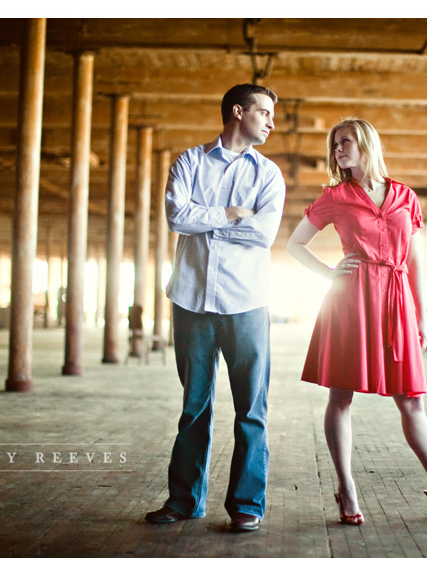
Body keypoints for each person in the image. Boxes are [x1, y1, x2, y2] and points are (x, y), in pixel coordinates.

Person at [286, 118, 427, 524]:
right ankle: (346, 487)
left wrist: (422, 316)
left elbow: (415, 259)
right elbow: (294, 244)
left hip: (396, 299)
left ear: (366, 143)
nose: (337, 149)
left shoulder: (405, 196)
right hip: (351, 300)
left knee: (411, 400)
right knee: (341, 396)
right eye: (334, 144)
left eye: (345, 141)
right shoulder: (335, 197)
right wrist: (330, 272)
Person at [145, 84, 286, 532]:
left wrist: (206, 219)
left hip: (247, 303)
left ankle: (247, 504)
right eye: (263, 112)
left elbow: (262, 234)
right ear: (238, 112)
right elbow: (175, 217)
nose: (271, 122)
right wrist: (229, 213)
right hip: (191, 301)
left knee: (251, 409)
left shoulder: (269, 175)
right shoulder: (189, 162)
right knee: (194, 407)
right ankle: (184, 501)